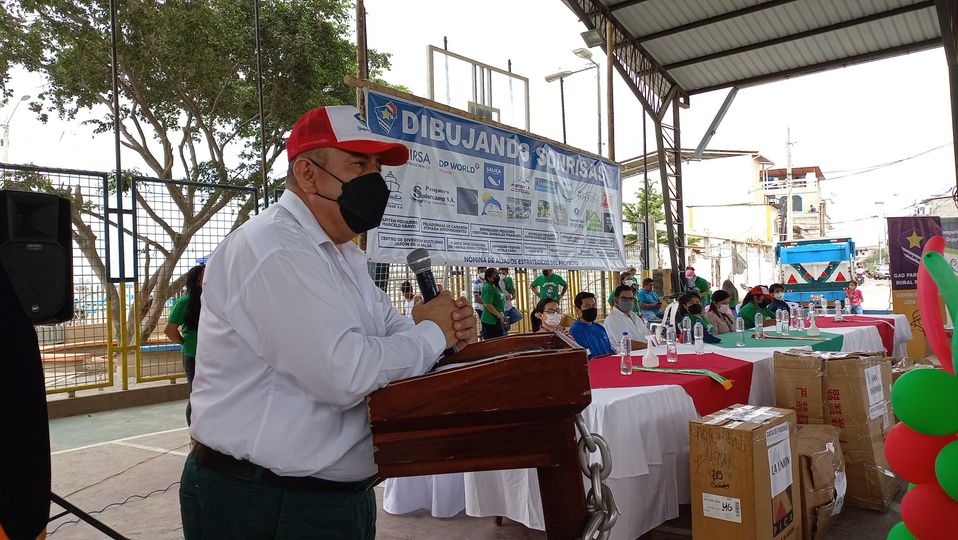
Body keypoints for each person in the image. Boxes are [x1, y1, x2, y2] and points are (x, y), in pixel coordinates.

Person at [179, 105, 477, 539]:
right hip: (264, 503)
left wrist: (440, 329)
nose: (374, 180)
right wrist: (433, 333)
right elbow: (344, 373)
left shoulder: (343, 256)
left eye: (377, 167)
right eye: (358, 164)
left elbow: (394, 334)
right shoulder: (275, 247)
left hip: (329, 499)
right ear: (308, 174)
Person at [164, 263, 204, 425]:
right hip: (194, 356)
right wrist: (185, 343)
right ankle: (194, 432)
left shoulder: (215, 301)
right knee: (196, 396)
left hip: (214, 355)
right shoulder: (184, 302)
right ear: (195, 281)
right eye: (202, 278)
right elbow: (169, 330)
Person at [568, 291, 614, 359]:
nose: (591, 308)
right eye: (587, 306)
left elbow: (610, 351)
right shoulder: (575, 332)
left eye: (593, 305)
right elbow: (585, 358)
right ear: (577, 310)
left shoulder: (600, 328)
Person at [603, 285, 649, 350]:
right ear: (616, 300)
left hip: (645, 351)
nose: (628, 301)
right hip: (628, 354)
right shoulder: (612, 320)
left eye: (631, 299)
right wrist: (649, 346)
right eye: (624, 299)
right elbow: (626, 344)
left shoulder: (634, 316)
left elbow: (647, 334)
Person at [480, 268, 507, 340]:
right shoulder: (488, 287)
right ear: (489, 278)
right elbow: (487, 304)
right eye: (494, 275)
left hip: (497, 319)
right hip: (490, 321)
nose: (497, 276)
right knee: (492, 343)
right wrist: (499, 315)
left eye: (497, 274)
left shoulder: (496, 286)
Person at [497, 267, 523, 331]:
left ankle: (506, 322)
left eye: (504, 273)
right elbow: (496, 293)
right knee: (504, 330)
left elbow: (513, 289)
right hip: (502, 307)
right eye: (501, 273)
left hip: (509, 305)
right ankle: (503, 325)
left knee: (519, 316)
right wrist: (504, 297)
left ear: (507, 273)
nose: (502, 274)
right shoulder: (496, 281)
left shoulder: (509, 280)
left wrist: (514, 294)